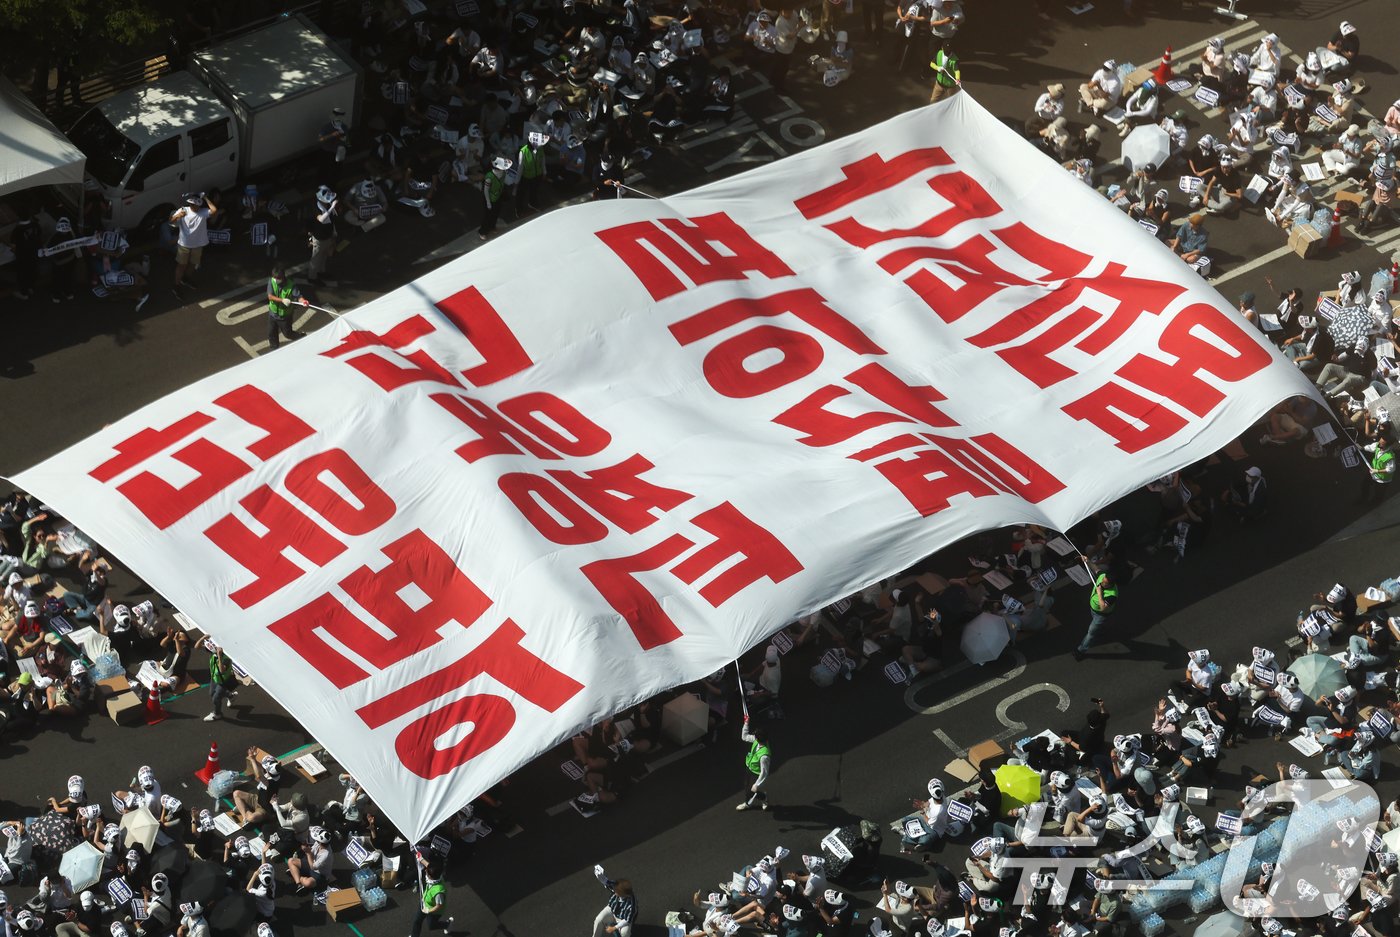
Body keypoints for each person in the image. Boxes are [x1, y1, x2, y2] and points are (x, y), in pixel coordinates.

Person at [170, 193, 216, 294]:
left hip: (198, 245)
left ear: (199, 205)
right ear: (189, 204)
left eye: (196, 205)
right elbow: (171, 221)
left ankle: (185, 279)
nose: (193, 206)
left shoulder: (203, 212)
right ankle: (176, 285)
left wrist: (205, 197)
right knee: (181, 265)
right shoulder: (183, 211)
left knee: (193, 264)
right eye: (192, 204)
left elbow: (214, 210)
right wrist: (178, 216)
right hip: (184, 245)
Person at [1073, 567, 1117, 660]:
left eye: (1104, 583)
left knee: (1091, 632)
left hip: (1101, 615)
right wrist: (1087, 560)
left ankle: (1080, 650)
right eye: (1103, 580)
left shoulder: (1112, 595)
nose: (1101, 583)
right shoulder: (1102, 576)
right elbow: (1096, 569)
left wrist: (1100, 594)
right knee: (1095, 624)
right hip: (1093, 609)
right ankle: (1100, 628)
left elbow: (1103, 608)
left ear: (1110, 585)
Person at [265, 265, 309, 351]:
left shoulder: (291, 285)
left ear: (282, 277)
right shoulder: (272, 281)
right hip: (273, 314)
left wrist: (303, 301)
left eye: (277, 278)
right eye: (274, 278)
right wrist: (282, 300)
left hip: (285, 316)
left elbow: (298, 296)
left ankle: (300, 337)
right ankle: (274, 350)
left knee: (288, 334)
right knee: (271, 334)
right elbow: (270, 296)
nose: (275, 280)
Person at [736, 718, 772, 811]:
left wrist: (757, 784)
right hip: (750, 769)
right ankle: (753, 801)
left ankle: (761, 798)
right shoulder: (757, 740)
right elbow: (744, 737)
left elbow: (764, 772)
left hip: (756, 773)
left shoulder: (765, 756)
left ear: (758, 738)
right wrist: (746, 723)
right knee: (746, 788)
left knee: (751, 790)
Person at [306, 186, 338, 286]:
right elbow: (321, 219)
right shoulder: (316, 208)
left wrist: (334, 232)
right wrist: (332, 207)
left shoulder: (327, 205)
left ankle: (321, 272)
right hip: (319, 238)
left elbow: (331, 220)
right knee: (316, 259)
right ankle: (312, 277)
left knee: (323, 256)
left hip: (328, 235)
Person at [591, 866, 635, 937]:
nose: (614, 892)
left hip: (622, 918)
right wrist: (600, 876)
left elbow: (627, 920)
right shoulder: (618, 887)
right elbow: (606, 881)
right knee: (598, 920)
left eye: (617, 892)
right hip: (612, 909)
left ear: (623, 894)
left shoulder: (631, 904)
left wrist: (614, 928)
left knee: (625, 933)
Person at [516, 132, 550, 216]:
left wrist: (544, 172)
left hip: (537, 175)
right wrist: (517, 181)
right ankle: (519, 210)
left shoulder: (540, 149)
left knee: (534, 191)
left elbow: (543, 160)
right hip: (526, 176)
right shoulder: (523, 152)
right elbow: (520, 167)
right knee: (521, 194)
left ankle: (532, 203)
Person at [480, 156, 511, 241]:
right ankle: (483, 232)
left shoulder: (503, 174)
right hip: (490, 198)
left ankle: (492, 226)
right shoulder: (489, 177)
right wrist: (488, 202)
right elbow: (486, 191)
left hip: (498, 196)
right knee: (487, 216)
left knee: (496, 213)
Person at [205, 643, 235, 722]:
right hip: (214, 679)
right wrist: (204, 638)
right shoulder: (213, 653)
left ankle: (217, 714)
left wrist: (219, 656)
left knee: (216, 698)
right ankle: (231, 696)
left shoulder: (226, 659)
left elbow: (222, 671)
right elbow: (196, 647)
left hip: (223, 682)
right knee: (211, 693)